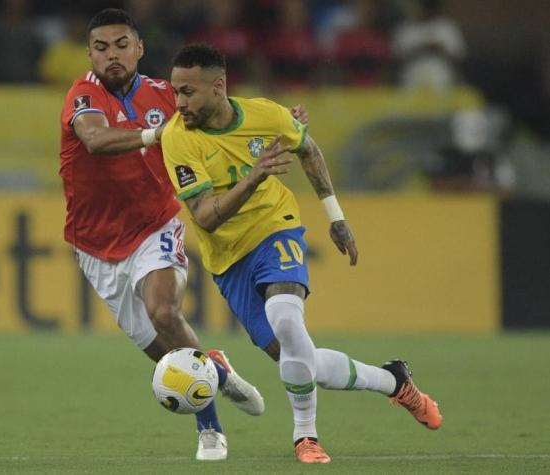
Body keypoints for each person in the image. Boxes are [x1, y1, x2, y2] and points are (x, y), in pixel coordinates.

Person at [161, 43, 443, 464]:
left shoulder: (267, 116)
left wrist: (335, 215)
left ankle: (305, 437)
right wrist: (254, 178)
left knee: (286, 319)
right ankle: (394, 381)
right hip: (228, 259)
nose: (179, 102)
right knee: (298, 358)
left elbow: (308, 149)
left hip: (277, 226)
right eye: (176, 91)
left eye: (189, 92)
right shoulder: (177, 139)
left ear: (218, 87)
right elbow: (205, 217)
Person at [58, 8, 286, 461]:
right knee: (165, 356)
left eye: (122, 44)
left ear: (140, 48)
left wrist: (282, 123)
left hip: (155, 225)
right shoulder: (82, 96)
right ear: (90, 55)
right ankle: (218, 372)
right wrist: (153, 134)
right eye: (101, 48)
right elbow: (96, 141)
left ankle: (210, 431)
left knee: (164, 310)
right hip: (95, 245)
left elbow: (225, 119)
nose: (113, 55)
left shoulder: (168, 95)